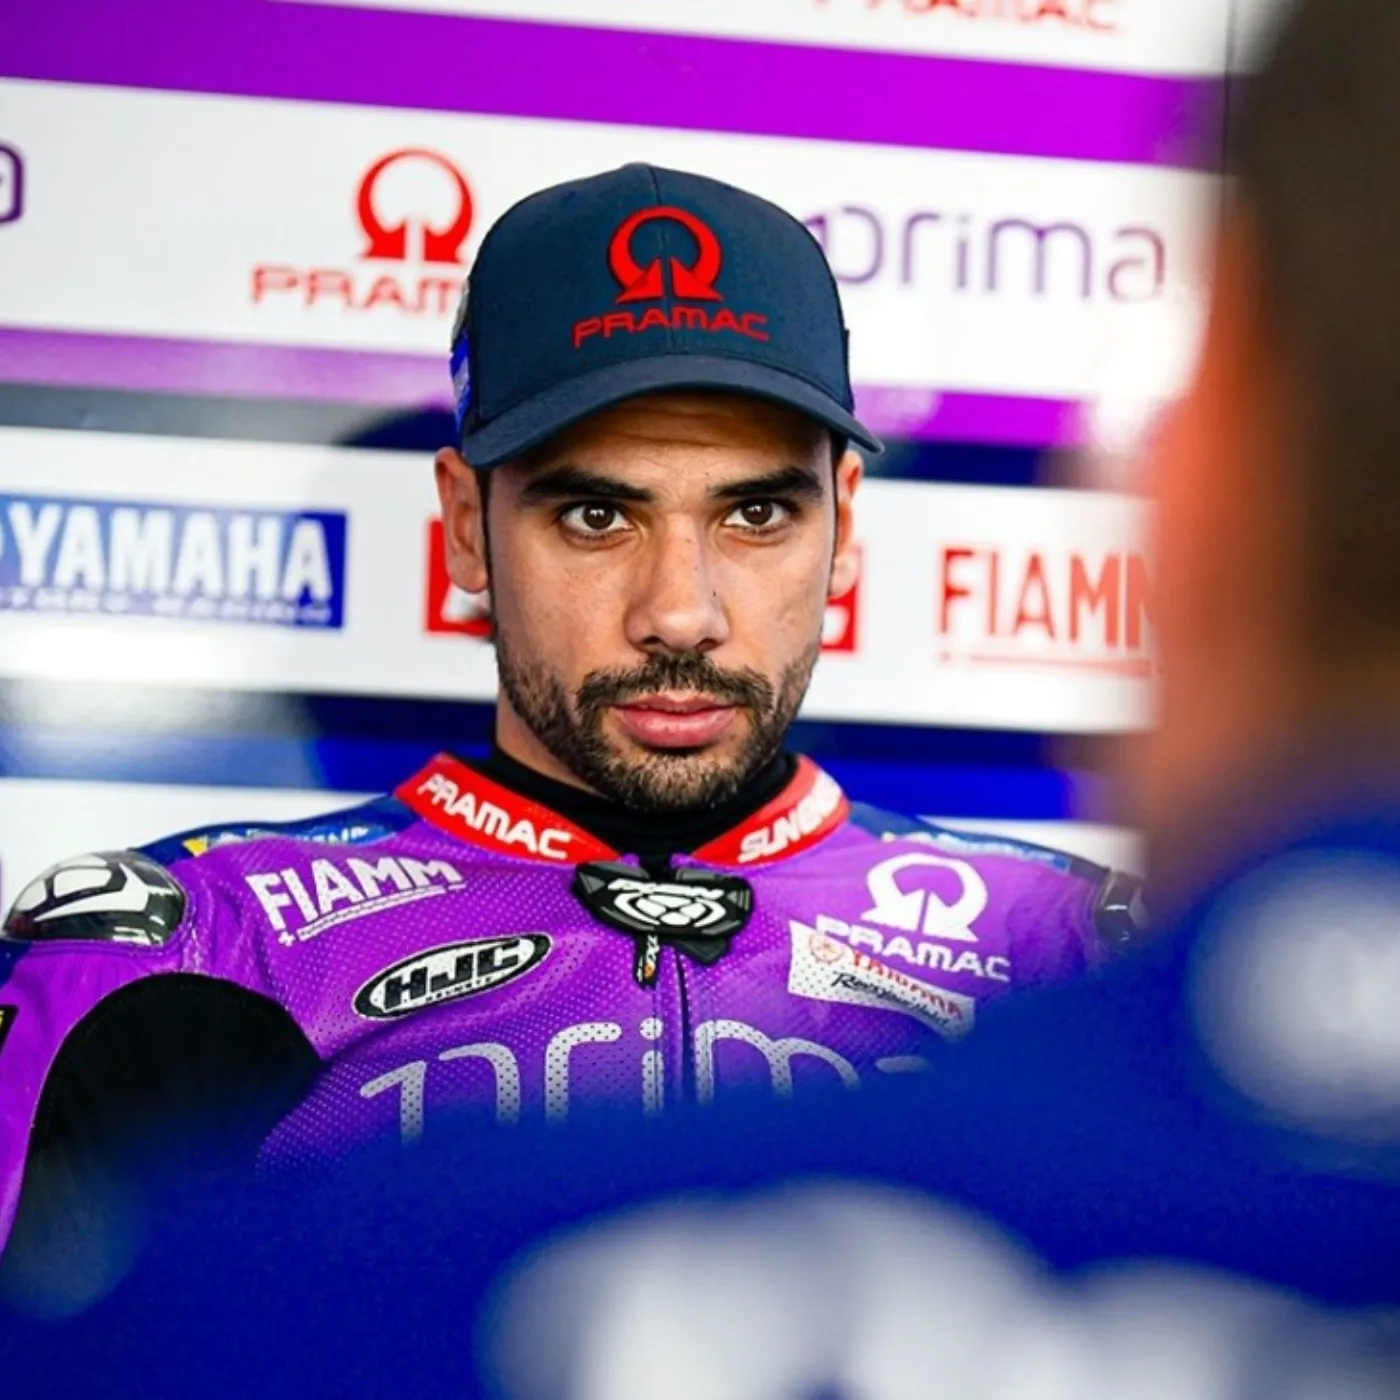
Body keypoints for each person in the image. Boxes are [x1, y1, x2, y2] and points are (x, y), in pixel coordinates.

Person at [0, 164, 1142, 1289]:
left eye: (755, 512)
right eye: (597, 515)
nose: (680, 614)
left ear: (843, 525)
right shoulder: (188, 959)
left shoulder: (1066, 957)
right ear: (464, 525)